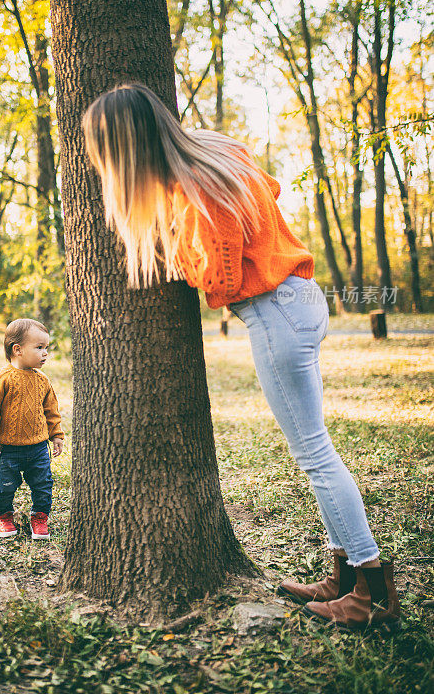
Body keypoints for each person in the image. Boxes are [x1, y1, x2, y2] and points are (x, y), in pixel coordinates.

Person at [81, 81, 401, 633]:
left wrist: (180, 259)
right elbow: (269, 191)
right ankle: (344, 577)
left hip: (275, 313)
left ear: (125, 147)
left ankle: (370, 590)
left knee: (315, 456)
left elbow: (223, 279)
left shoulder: (194, 189)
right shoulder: (218, 151)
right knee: (316, 449)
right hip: (300, 300)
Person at [0, 318, 64, 540]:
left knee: (43, 484)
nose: (45, 353)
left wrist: (56, 436)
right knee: (5, 485)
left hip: (37, 447)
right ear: (17, 349)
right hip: (7, 449)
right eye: (39, 347)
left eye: (46, 348)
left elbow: (51, 411)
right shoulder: (2, 378)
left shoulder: (43, 381)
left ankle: (40, 517)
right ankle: (4, 515)